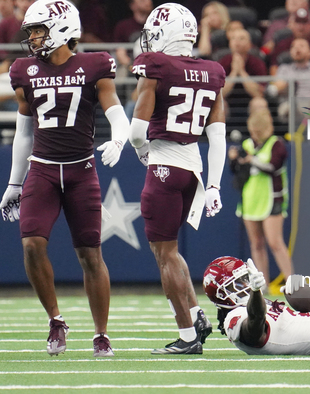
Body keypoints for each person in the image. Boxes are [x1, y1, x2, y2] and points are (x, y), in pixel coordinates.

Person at [0, 0, 131, 357]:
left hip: (81, 170)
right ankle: (56, 320)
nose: (34, 38)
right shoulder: (25, 69)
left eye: (39, 30)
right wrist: (15, 182)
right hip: (41, 168)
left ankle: (101, 334)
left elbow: (117, 112)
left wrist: (119, 139)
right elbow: (24, 130)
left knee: (90, 255)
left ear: (61, 28)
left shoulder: (94, 65)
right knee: (30, 245)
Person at [128, 3, 226, 354]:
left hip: (165, 166)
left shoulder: (155, 66)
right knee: (169, 250)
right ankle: (197, 314)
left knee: (164, 253)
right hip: (194, 170)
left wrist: (142, 152)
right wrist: (214, 185)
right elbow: (218, 137)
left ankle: (187, 337)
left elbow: (137, 131)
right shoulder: (213, 71)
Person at [227, 109, 293, 287]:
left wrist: (251, 160)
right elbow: (237, 172)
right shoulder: (247, 144)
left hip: (272, 199)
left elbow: (273, 167)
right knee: (256, 243)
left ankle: (292, 282)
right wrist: (235, 160)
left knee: (275, 242)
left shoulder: (276, 144)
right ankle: (261, 285)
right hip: (250, 199)